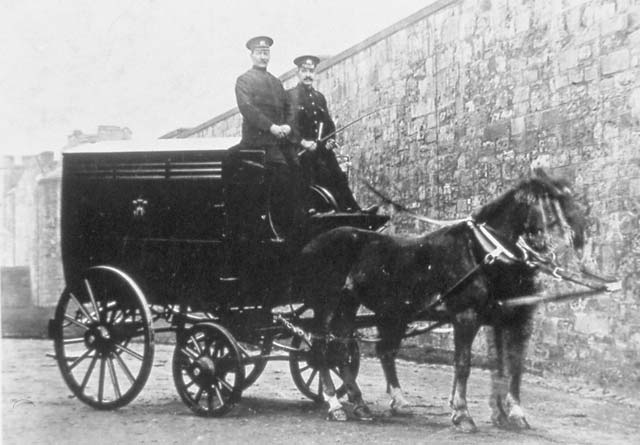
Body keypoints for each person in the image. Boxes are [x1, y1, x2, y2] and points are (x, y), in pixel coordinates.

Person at [287, 55, 377, 214]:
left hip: (320, 149)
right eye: (304, 71)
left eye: (311, 71)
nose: (308, 75)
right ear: (298, 73)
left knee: (338, 174)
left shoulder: (319, 98)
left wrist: (330, 140)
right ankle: (311, 209)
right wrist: (303, 143)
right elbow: (290, 126)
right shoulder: (290, 96)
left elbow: (328, 124)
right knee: (308, 173)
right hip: (300, 152)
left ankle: (353, 209)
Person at [234, 36, 304, 239]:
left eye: (266, 53)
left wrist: (288, 127)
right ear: (252, 55)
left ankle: (298, 219)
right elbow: (247, 108)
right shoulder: (244, 80)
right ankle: (277, 226)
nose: (263, 57)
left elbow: (289, 107)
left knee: (298, 165)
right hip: (258, 142)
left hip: (279, 139)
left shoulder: (275, 82)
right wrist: (271, 127)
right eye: (259, 53)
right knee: (281, 171)